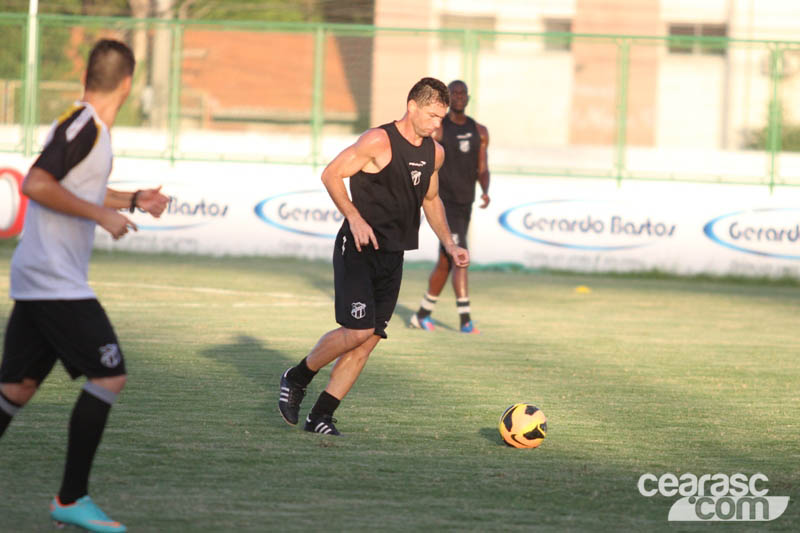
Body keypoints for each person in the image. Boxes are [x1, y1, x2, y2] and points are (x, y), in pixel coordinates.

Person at [0, 39, 168, 533]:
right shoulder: (84, 126)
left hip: (42, 279)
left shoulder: (87, 126)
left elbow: (75, 187)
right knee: (109, 374)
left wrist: (133, 199)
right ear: (128, 83)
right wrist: (101, 215)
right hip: (55, 281)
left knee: (16, 387)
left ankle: (71, 499)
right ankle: (71, 498)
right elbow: (36, 183)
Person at [278, 77, 468, 436]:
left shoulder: (434, 153)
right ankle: (298, 376)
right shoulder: (378, 141)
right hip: (359, 251)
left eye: (441, 117)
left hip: (393, 257)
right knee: (357, 330)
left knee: (368, 341)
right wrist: (354, 216)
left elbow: (431, 200)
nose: (436, 124)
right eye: (431, 115)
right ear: (412, 106)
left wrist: (450, 243)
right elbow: (332, 174)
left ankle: (321, 416)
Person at [409, 80, 490, 334]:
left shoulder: (479, 131)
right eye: (453, 93)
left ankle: (422, 314)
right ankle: (465, 320)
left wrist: (485, 191)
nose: (457, 96)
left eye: (461, 93)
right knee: (461, 257)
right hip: (445, 204)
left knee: (445, 262)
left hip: (466, 205)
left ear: (467, 97)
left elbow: (483, 167)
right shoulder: (439, 128)